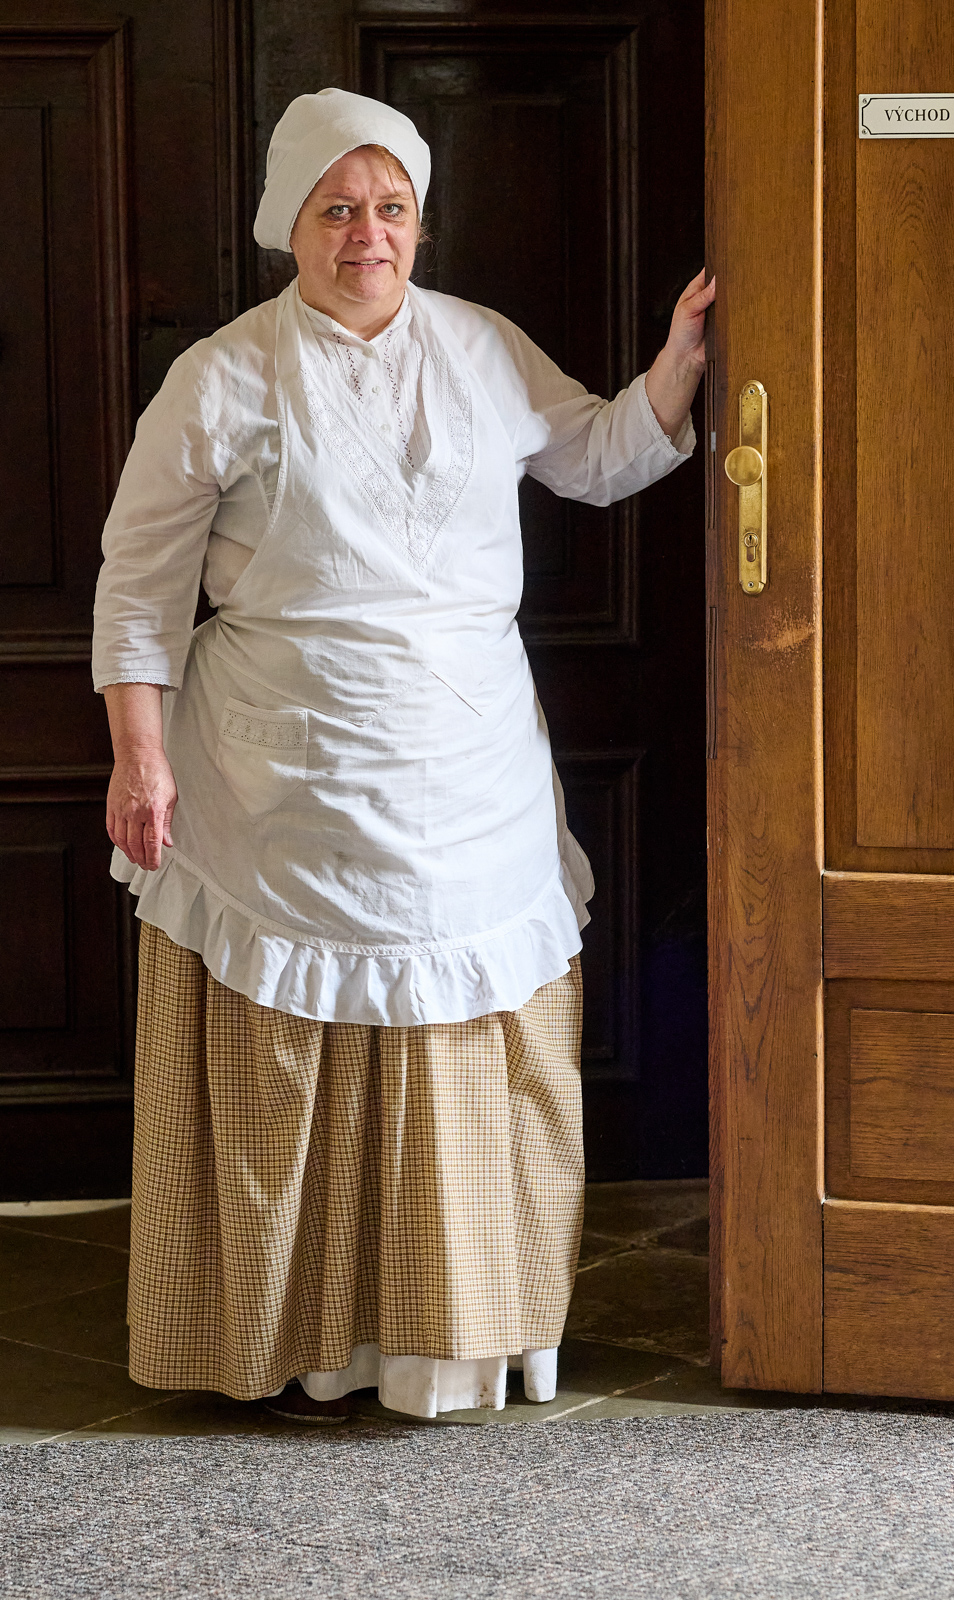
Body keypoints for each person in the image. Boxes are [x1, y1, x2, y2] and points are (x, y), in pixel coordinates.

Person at [92, 88, 714, 1422]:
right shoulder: (220, 376)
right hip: (281, 775)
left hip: (470, 762)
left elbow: (596, 454)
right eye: (337, 209)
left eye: (389, 209)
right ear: (289, 223)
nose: (365, 235)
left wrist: (676, 365)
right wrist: (140, 758)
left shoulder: (482, 345)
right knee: (293, 1057)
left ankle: (458, 1337)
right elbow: (137, 587)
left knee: (471, 1058)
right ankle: (302, 1338)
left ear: (419, 224)